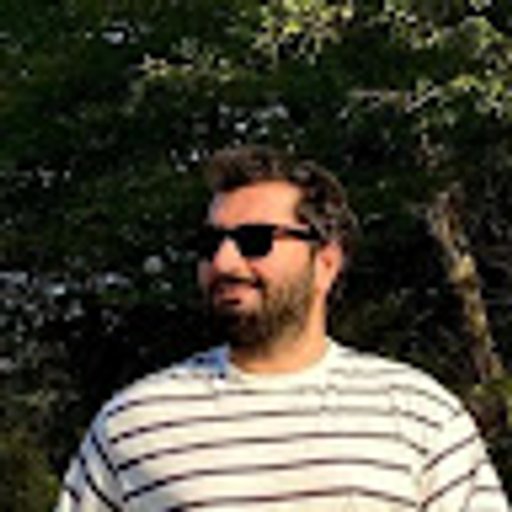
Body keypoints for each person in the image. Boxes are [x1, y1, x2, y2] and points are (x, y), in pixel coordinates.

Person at [55, 145, 509, 511]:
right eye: (209, 243)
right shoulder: (133, 423)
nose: (224, 262)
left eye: (255, 240)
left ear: (326, 262)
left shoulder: (418, 415)